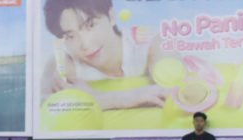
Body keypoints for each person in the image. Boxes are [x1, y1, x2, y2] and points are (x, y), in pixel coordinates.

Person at [41, 0, 169, 109]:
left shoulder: (152, 43)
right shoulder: (64, 62)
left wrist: (94, 98)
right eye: (70, 36)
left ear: (111, 16)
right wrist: (112, 99)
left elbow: (170, 94)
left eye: (91, 25)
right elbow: (39, 103)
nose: (85, 44)